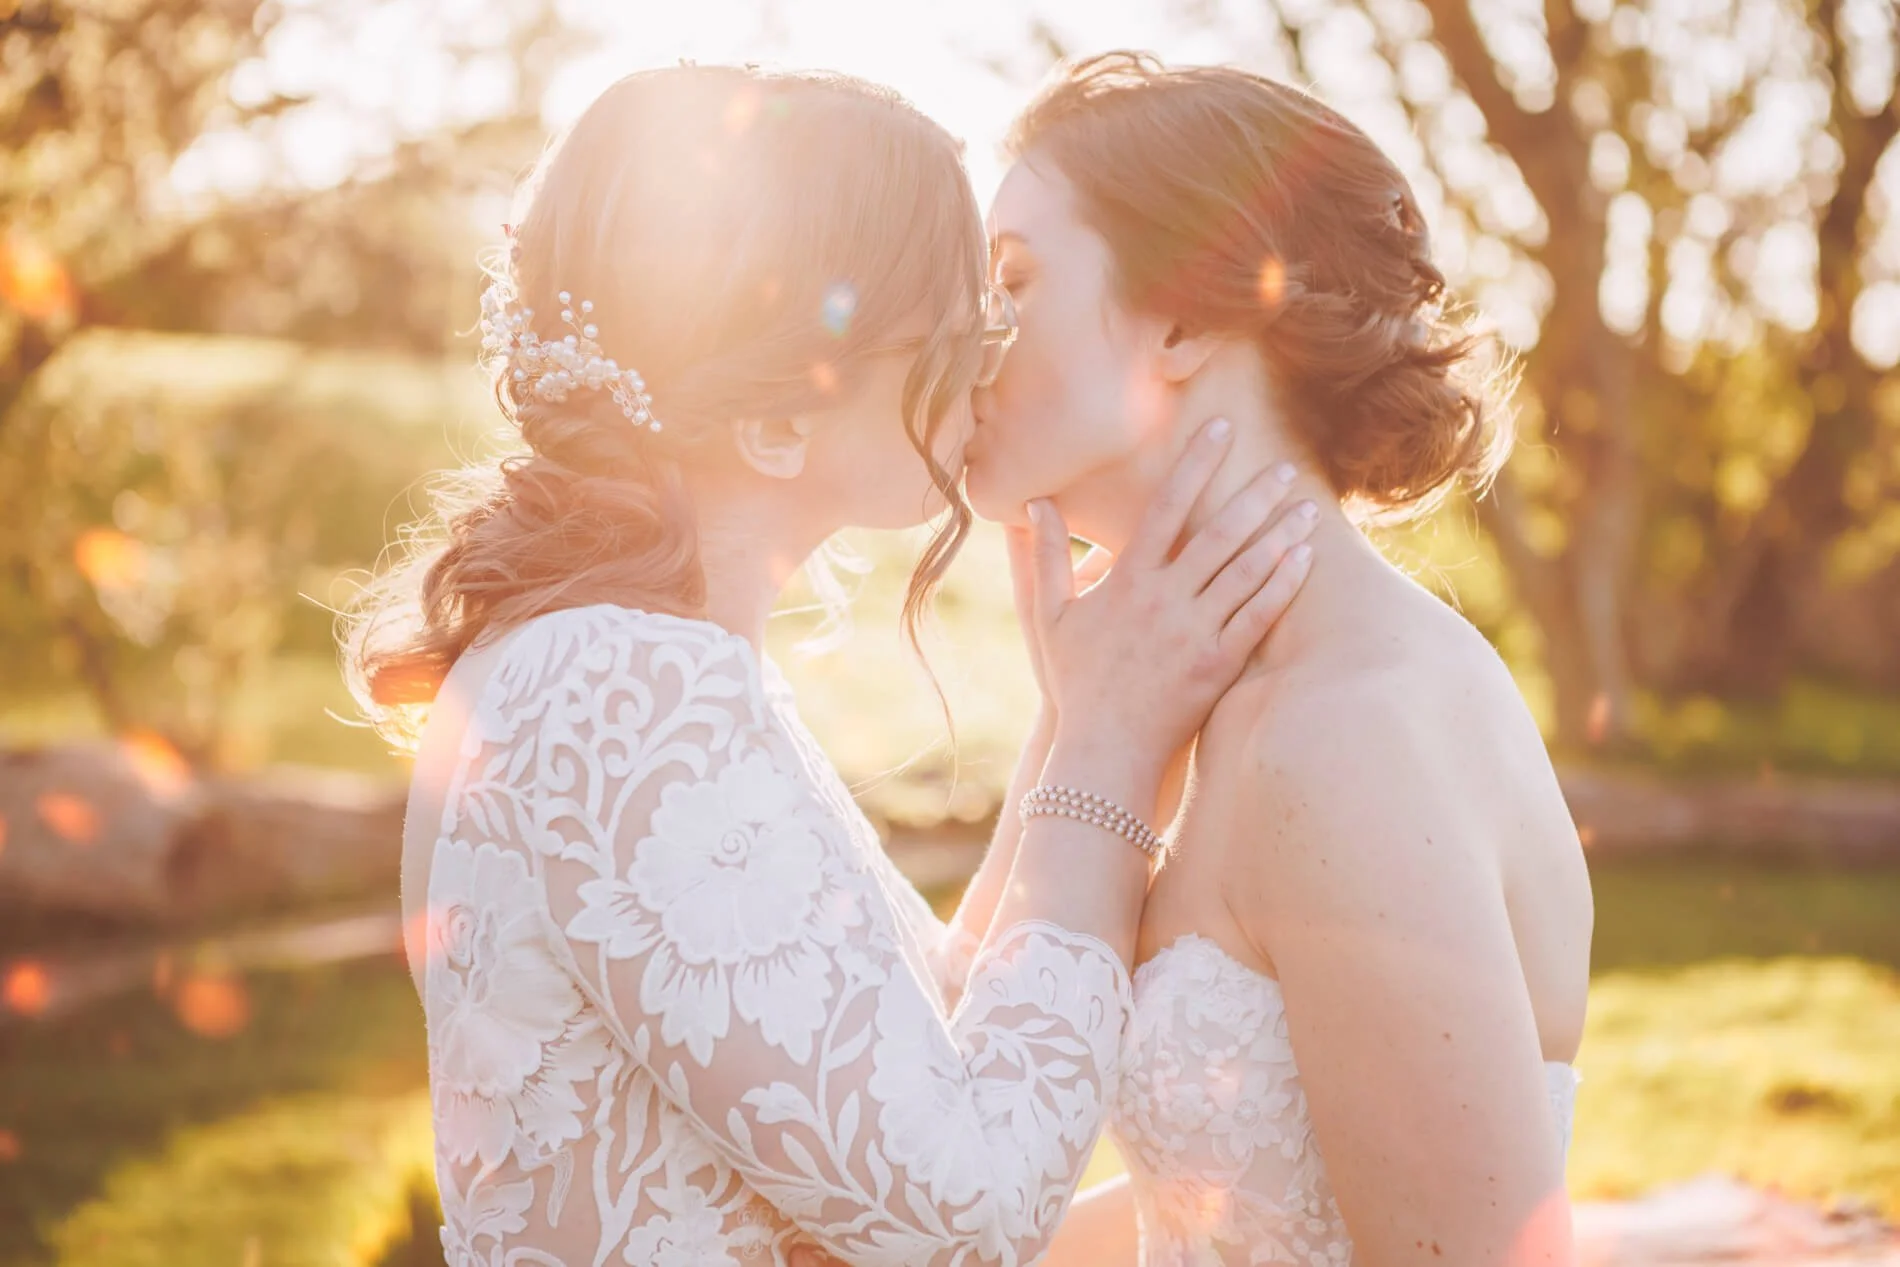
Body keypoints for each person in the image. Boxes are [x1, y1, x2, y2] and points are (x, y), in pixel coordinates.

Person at [341, 64, 1318, 1267]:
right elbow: (962, 1211)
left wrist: (1075, 725)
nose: (987, 358)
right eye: (957, 317)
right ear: (773, 417)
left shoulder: (625, 664)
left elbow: (915, 1041)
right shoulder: (620, 692)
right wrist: (1111, 752)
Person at [959, 52, 1594, 1266]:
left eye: (1015, 282)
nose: (972, 338)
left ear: (1187, 317)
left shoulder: (1344, 733)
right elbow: (1200, 1204)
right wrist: (1076, 729)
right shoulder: (1187, 694)